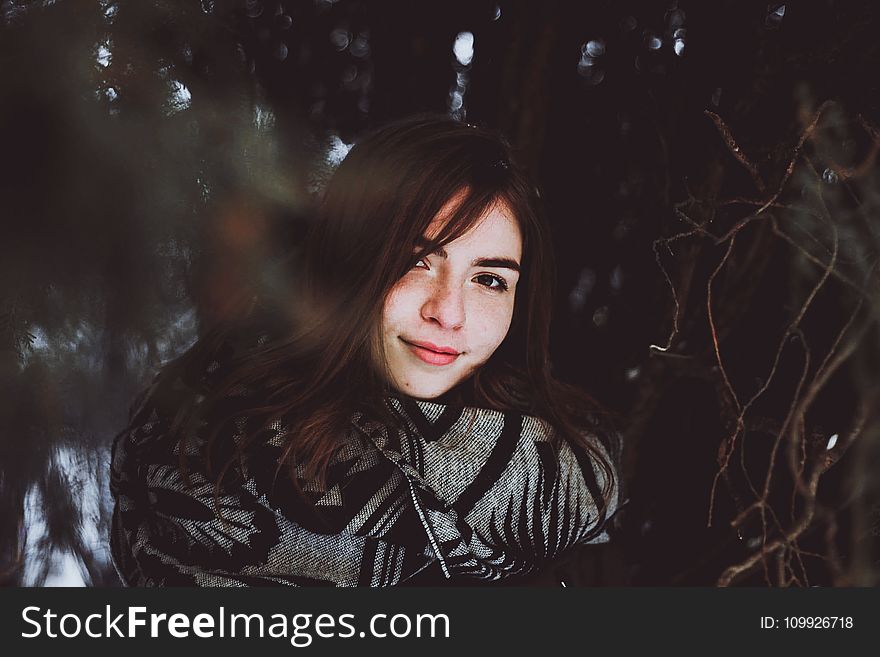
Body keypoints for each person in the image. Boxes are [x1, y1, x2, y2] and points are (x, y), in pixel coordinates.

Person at [109, 115, 623, 586]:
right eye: (415, 261)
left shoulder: (564, 469)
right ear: (347, 263)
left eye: (488, 280)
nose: (449, 312)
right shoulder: (195, 455)